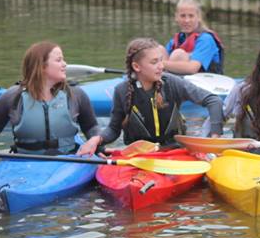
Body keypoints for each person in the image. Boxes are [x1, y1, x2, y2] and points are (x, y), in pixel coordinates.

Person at [83, 38, 224, 154]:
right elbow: (114, 130)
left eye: (161, 60)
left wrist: (215, 137)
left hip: (174, 151)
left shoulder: (173, 83)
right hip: (140, 154)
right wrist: (97, 140)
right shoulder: (122, 91)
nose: (161, 66)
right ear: (137, 67)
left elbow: (213, 100)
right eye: (154, 62)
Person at [0, 42, 99, 156]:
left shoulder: (76, 95)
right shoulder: (13, 96)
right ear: (42, 67)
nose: (65, 64)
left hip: (68, 159)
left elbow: (91, 127)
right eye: (59, 60)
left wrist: (99, 148)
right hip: (26, 160)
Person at [164, 0, 224, 75]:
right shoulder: (176, 40)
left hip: (207, 83)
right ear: (176, 17)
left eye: (191, 16)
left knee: (178, 54)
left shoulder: (206, 39)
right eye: (182, 16)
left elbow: (192, 68)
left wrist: (160, 64)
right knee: (159, 49)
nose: (187, 20)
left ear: (198, 17)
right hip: (182, 82)